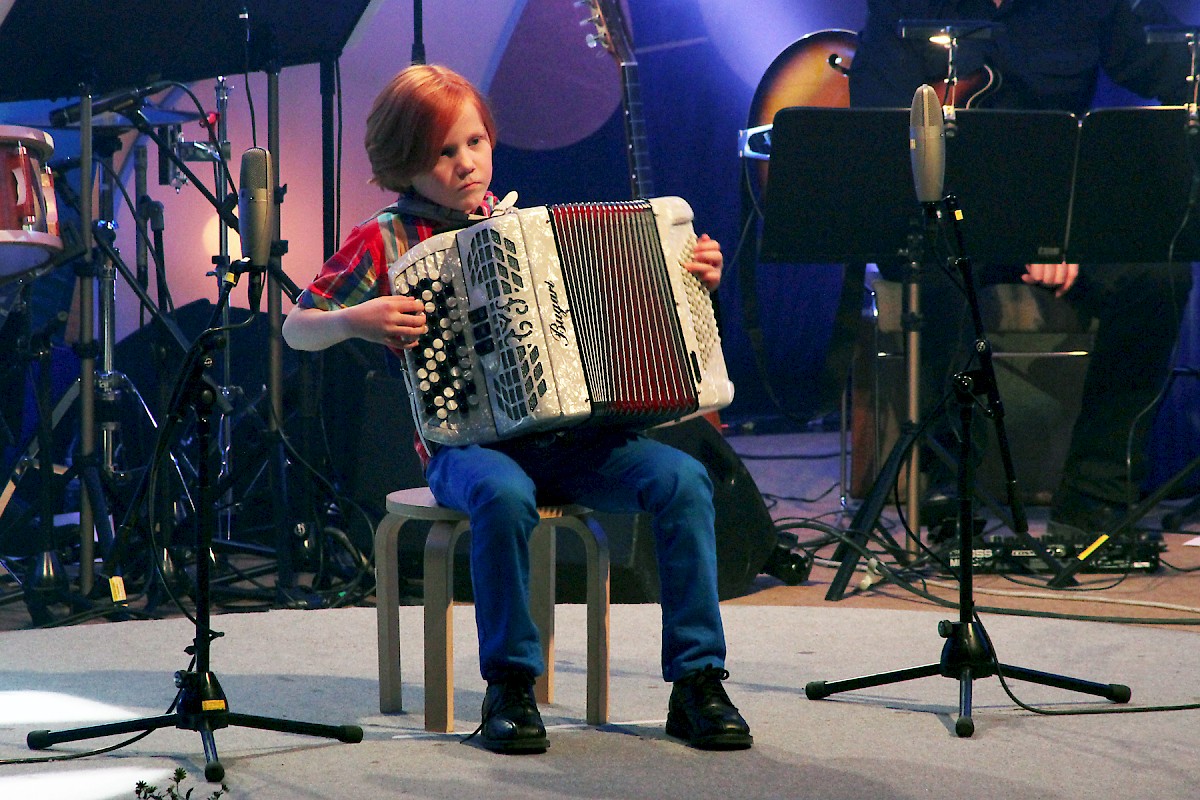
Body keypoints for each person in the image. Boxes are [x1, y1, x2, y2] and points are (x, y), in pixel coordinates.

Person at [282, 64, 751, 754]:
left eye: (475, 142)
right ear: (403, 160)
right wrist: (358, 319)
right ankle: (510, 685)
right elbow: (298, 326)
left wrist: (690, 268)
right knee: (502, 496)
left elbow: (628, 303)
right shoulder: (382, 240)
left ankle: (698, 681)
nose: (466, 163)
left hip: (577, 441)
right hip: (466, 448)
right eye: (444, 152)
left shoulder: (521, 229)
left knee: (683, 480)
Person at [849, 0, 1196, 539]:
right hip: (944, 212)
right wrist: (1017, 227)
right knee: (942, 277)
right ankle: (953, 491)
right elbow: (882, 131)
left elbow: (1166, 62)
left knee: (1158, 276)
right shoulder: (905, 6)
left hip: (1056, 208)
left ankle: (1096, 502)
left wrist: (1056, 229)